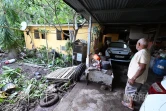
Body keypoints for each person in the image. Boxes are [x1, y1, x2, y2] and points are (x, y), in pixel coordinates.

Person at [122, 38, 150, 110]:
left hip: (135, 79)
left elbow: (142, 67)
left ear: (139, 44)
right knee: (133, 92)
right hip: (138, 79)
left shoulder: (142, 53)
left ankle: (130, 104)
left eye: (137, 43)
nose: (136, 45)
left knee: (129, 91)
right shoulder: (145, 52)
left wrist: (133, 78)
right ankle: (131, 102)